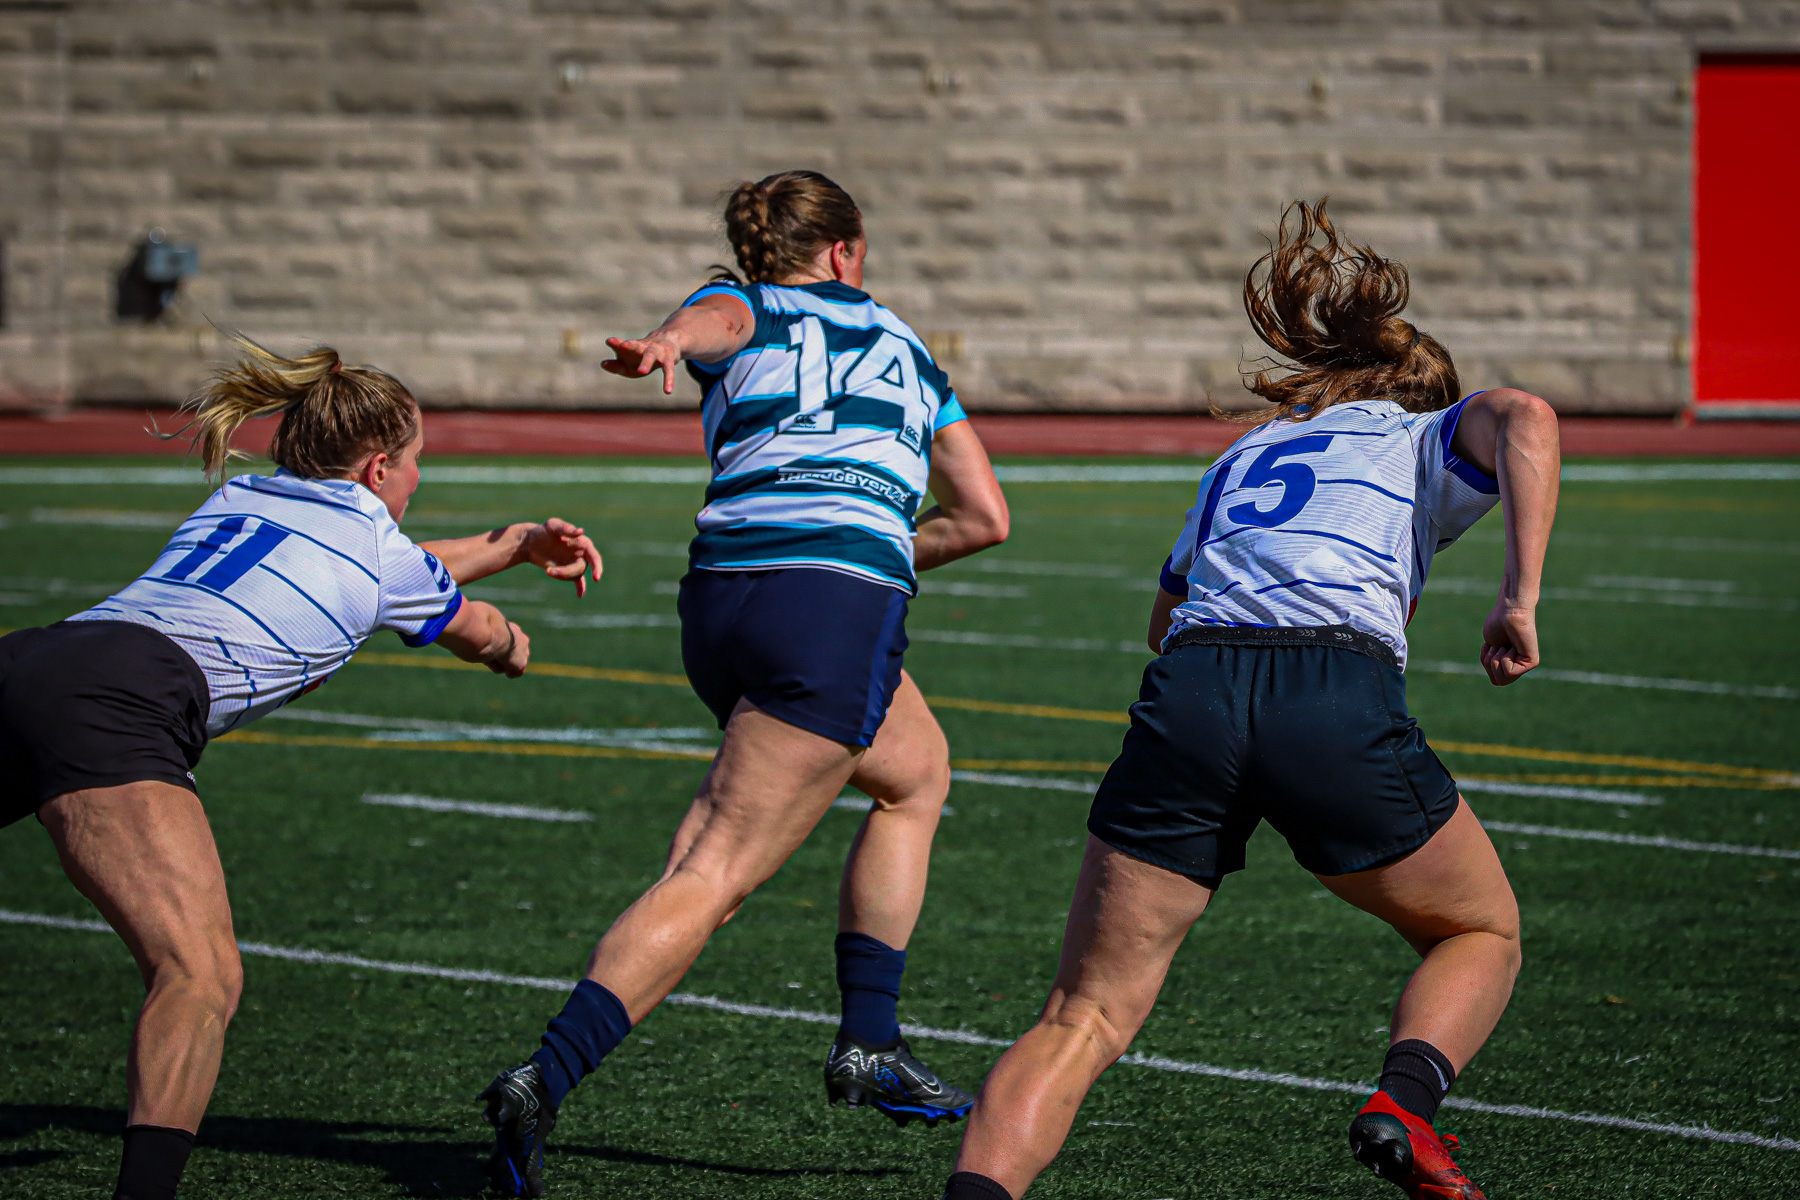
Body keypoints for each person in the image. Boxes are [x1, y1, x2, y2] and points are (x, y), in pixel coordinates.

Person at [938, 200, 1559, 1200]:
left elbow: (1162, 617)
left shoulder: (1243, 456)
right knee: (1478, 931)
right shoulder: (1421, 434)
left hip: (1194, 686)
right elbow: (1526, 417)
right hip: (1330, 684)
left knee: (1081, 1017)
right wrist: (1517, 599)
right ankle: (1403, 1104)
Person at [479, 169, 1010, 1196]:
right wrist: (874, 547)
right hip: (829, 609)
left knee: (915, 773)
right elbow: (985, 515)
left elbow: (718, 317)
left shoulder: (746, 306)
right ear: (846, 252)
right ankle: (543, 1076)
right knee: (713, 872)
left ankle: (872, 1039)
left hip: (723, 599)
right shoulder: (903, 344)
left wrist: (672, 342)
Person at [0, 334, 602, 1200]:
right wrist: (509, 642)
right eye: (417, 463)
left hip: (39, 658)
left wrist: (510, 543)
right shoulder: (379, 551)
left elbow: (374, 567)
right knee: (201, 975)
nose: (417, 481)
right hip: (120, 706)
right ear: (380, 467)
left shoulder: (245, 496)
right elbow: (461, 622)